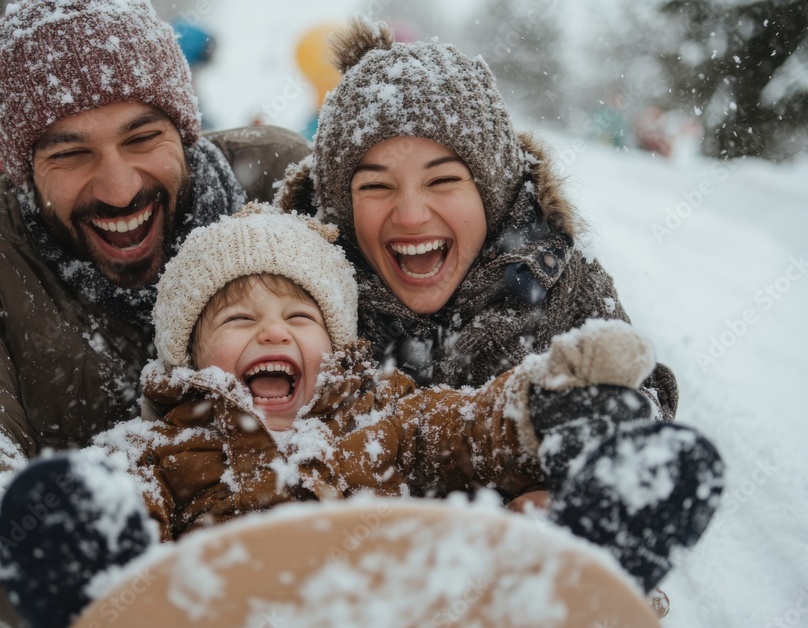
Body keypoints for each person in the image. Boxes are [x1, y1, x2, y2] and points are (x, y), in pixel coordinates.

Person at [0, 205, 723, 628]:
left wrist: (542, 407)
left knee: (489, 574)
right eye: (239, 318)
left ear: (334, 344)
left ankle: (586, 559)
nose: (273, 332)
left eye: (300, 317)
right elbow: (126, 494)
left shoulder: (380, 413)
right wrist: (93, 536)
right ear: (187, 352)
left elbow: (460, 428)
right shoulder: (160, 445)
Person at [0, 0, 309, 628]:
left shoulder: (276, 181)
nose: (120, 188)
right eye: (70, 154)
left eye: (142, 137)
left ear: (185, 130)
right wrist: (25, 539)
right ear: (21, 169)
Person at [277, 18, 680, 421]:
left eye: (443, 180)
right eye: (376, 187)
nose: (412, 216)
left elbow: (643, 408)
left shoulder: (562, 285)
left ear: (494, 192)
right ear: (340, 208)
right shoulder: (298, 298)